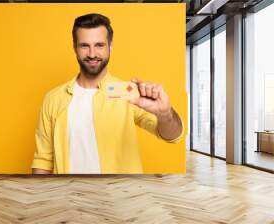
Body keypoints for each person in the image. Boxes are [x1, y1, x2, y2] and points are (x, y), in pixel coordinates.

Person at [32, 13, 183, 174]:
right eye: (84, 45)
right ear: (75, 47)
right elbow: (43, 161)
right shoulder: (54, 98)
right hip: (68, 196)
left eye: (99, 45)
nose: (92, 54)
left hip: (118, 196)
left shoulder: (126, 91)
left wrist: (165, 114)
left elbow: (172, 136)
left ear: (110, 46)